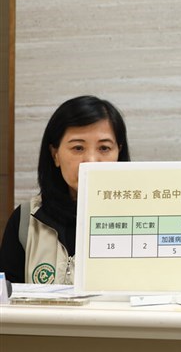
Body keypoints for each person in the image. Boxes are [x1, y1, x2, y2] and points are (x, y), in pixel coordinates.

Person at [0, 96, 130, 284]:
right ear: (55, 155)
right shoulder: (25, 221)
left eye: (104, 148)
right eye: (78, 148)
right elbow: (6, 304)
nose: (91, 161)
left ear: (118, 152)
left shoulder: (141, 219)